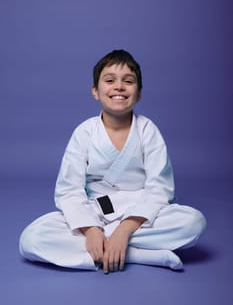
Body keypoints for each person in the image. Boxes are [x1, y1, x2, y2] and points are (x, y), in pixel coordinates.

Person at [19, 49, 207, 273]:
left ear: (138, 94)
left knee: (194, 222)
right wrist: (90, 230)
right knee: (31, 238)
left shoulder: (147, 130)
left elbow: (160, 187)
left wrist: (124, 230)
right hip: (94, 211)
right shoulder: (84, 132)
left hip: (139, 213)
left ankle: (113, 248)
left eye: (128, 81)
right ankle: (134, 254)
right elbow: (69, 190)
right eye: (109, 80)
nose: (119, 86)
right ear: (95, 91)